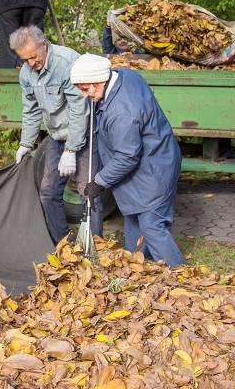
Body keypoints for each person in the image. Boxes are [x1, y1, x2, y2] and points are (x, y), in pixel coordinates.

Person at [70, 54, 186, 266]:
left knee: (152, 228)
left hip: (153, 170)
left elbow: (126, 157)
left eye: (85, 89)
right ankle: (142, 271)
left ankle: (182, 277)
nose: (84, 95)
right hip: (155, 158)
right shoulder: (124, 75)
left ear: (98, 82)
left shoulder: (121, 112)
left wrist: (98, 181)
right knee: (133, 232)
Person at [11, 26, 103, 243]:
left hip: (85, 134)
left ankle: (98, 248)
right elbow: (31, 110)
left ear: (44, 45)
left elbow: (80, 110)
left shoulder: (67, 62)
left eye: (33, 57)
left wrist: (71, 150)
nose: (31, 63)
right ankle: (63, 246)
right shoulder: (26, 73)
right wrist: (26, 143)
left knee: (89, 193)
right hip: (56, 136)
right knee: (48, 193)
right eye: (25, 60)